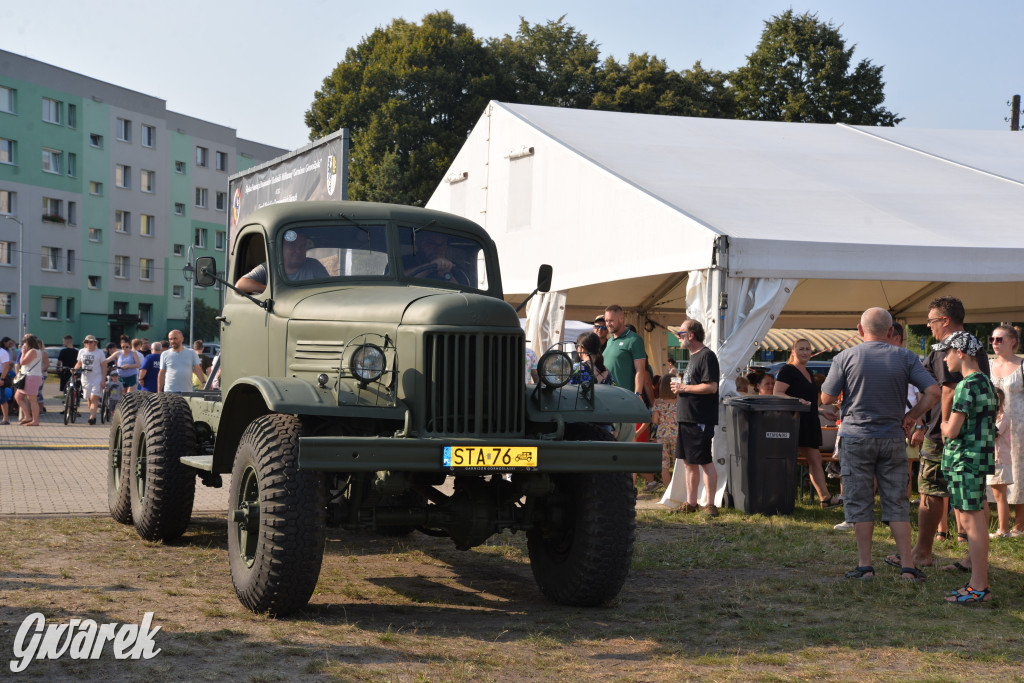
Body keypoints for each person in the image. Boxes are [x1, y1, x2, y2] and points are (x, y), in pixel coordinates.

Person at [820, 307, 938, 581]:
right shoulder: (906, 357)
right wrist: (912, 416)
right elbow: (932, 391)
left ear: (860, 330)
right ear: (890, 331)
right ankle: (907, 566)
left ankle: (865, 566)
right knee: (896, 501)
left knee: (860, 501)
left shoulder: (845, 357)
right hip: (892, 437)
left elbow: (826, 398)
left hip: (855, 437)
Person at [909, 296, 990, 570]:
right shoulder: (972, 345)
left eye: (931, 321)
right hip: (971, 439)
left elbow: (949, 389)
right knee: (973, 499)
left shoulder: (955, 348)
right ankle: (972, 559)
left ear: (945, 320)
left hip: (951, 436)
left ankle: (923, 552)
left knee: (933, 490)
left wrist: (943, 428)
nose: (929, 326)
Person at [938, 331, 997, 604]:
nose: (945, 358)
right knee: (976, 521)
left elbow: (952, 430)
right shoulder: (985, 382)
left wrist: (942, 426)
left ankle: (978, 587)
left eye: (947, 353)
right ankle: (978, 582)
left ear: (960, 353)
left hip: (964, 460)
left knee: (972, 523)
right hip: (979, 459)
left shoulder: (966, 386)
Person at [660, 319, 721, 516]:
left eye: (680, 334)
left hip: (699, 418)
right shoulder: (693, 357)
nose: (678, 338)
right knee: (688, 462)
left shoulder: (706, 356)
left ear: (691, 335)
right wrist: (681, 389)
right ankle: (691, 502)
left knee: (704, 461)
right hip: (687, 418)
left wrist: (683, 387)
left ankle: (710, 505)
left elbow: (712, 387)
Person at [774, 338, 842, 508]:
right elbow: (777, 393)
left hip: (809, 421)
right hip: (793, 421)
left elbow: (808, 403)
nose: (805, 352)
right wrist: (797, 400)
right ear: (793, 352)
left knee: (815, 458)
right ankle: (781, 497)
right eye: (801, 349)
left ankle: (825, 499)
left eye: (807, 349)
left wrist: (822, 411)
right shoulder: (787, 370)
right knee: (794, 459)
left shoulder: (808, 372)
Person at [987, 324, 1024, 537]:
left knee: (1019, 472)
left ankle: (1019, 525)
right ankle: (1002, 523)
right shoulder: (988, 365)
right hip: (994, 427)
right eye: (992, 339)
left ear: (1012, 341)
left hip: (1019, 428)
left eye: (999, 339)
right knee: (997, 472)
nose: (994, 343)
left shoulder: (1022, 365)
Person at [602, 305, 648, 443]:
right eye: (606, 320)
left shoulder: (634, 340)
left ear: (621, 318)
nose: (608, 324)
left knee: (624, 443)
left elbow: (641, 370)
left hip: (624, 401)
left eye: (611, 320)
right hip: (608, 400)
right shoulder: (610, 341)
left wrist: (637, 394)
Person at [235, 229, 329, 294]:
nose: (298, 251)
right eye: (292, 246)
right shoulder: (269, 268)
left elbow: (328, 290)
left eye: (302, 246)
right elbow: (241, 284)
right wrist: (273, 291)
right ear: (281, 249)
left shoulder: (314, 266)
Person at [987, 387, 1013, 539]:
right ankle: (1003, 529)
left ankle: (1004, 530)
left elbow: (994, 434)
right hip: (995, 460)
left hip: (999, 461)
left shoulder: (1002, 417)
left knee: (1000, 496)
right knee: (998, 496)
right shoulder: (996, 417)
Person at [403, 231, 470, 285]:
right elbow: (400, 281)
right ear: (419, 243)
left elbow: (463, 293)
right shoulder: (404, 262)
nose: (437, 249)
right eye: (431, 243)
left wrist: (447, 275)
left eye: (442, 245)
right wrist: (429, 267)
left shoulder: (455, 268)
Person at [652, 373, 678, 492]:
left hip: (662, 435)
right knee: (677, 464)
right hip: (677, 435)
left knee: (664, 465)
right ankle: (679, 490)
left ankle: (668, 491)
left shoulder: (658, 402)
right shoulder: (679, 401)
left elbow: (655, 420)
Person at [74, 335, 108, 425]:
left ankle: (91, 418)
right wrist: (74, 369)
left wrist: (103, 379)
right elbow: (79, 363)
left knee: (94, 398)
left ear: (95, 343)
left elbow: (104, 366)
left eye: (91, 342)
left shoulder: (99, 352)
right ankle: (93, 415)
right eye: (87, 342)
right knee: (89, 399)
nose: (89, 344)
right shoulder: (81, 351)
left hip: (97, 378)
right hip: (85, 378)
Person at [14, 334, 45, 426]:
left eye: (25, 343)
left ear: (29, 343)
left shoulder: (33, 351)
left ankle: (35, 420)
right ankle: (27, 416)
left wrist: (23, 352)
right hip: (29, 376)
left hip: (32, 377)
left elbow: (22, 362)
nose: (24, 345)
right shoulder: (33, 351)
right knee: (18, 397)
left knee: (32, 399)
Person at [0, 336, 11, 425]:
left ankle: (6, 419)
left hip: (0, 375)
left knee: (2, 398)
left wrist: (2, 378)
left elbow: (6, 367)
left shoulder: (2, 352)